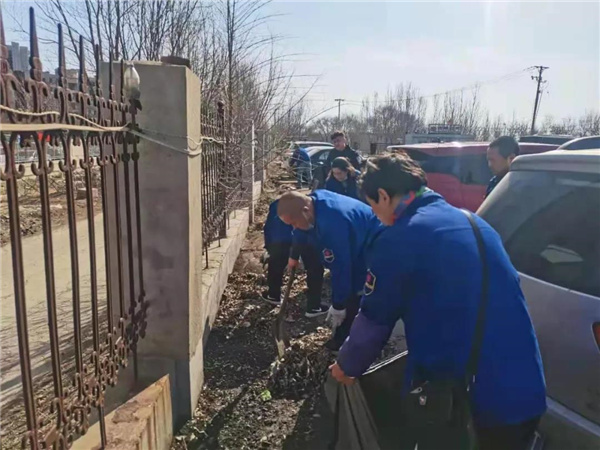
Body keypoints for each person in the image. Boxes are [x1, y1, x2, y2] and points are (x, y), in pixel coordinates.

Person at [330, 153, 547, 450]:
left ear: (383, 195)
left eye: (373, 206)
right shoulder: (475, 223)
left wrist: (346, 365)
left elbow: (374, 320)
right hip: (526, 388)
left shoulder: (400, 238)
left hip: (468, 401)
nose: (376, 216)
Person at [277, 190, 382, 351]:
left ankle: (349, 341)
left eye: (294, 222)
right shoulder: (312, 202)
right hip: (355, 235)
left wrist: (338, 305)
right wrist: (294, 255)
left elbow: (340, 268)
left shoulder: (333, 225)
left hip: (372, 243)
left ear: (305, 211)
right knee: (348, 285)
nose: (294, 227)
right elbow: (299, 231)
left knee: (356, 290)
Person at [262, 199, 327, 317]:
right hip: (304, 237)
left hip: (281, 239)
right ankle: (313, 306)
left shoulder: (276, 206)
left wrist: (270, 248)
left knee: (276, 262)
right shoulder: (313, 207)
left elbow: (269, 229)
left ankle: (273, 294)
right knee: (314, 268)